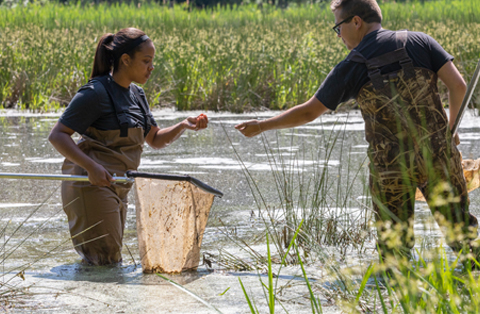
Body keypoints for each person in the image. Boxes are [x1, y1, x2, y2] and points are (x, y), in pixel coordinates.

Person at [235, 0, 478, 263]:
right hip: (439, 158)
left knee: (396, 259)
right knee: (466, 242)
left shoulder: (351, 66)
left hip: (391, 171)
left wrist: (261, 126)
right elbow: (459, 87)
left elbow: (308, 112)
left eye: (338, 28)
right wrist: (450, 130)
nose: (339, 36)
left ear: (356, 22)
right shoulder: (420, 41)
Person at [48, 28, 208, 265]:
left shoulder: (138, 95)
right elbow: (57, 135)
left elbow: (155, 139)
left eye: (152, 61)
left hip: (118, 185)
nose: (151, 67)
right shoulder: (95, 92)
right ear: (125, 59)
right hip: (91, 184)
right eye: (146, 61)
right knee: (106, 261)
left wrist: (183, 125)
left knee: (107, 262)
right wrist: (92, 167)